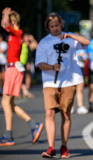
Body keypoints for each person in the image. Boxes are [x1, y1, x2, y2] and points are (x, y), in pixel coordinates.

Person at [35, 12, 90, 158]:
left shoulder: (70, 38)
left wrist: (71, 36)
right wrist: (52, 67)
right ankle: (51, 147)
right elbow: (40, 63)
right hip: (50, 82)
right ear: (48, 27)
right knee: (50, 113)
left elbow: (87, 42)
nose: (55, 28)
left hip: (69, 81)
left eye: (57, 25)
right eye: (52, 26)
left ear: (61, 25)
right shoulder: (44, 42)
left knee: (66, 114)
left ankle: (64, 146)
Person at [0, 7, 43, 146]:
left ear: (13, 21)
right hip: (12, 68)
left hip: (13, 69)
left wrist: (6, 14)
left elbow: (5, 24)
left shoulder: (17, 33)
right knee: (10, 104)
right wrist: (5, 15)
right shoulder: (13, 33)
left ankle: (9, 135)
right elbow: (4, 24)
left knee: (5, 102)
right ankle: (33, 125)